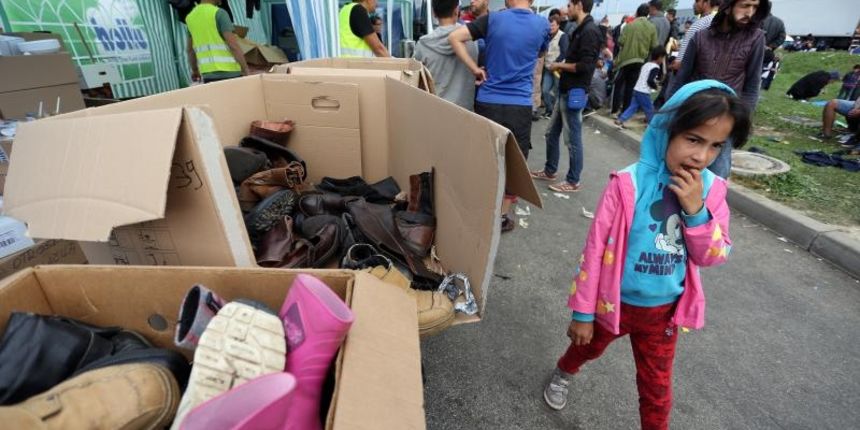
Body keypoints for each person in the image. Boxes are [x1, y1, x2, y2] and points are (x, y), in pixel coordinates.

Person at [542, 80, 750, 430]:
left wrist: (696, 211)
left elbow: (713, 255)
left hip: (663, 313)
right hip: (613, 306)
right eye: (694, 139)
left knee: (656, 387)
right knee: (586, 348)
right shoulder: (628, 184)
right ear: (667, 130)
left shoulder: (712, 191)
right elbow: (594, 251)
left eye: (716, 146)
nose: (701, 156)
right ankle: (564, 371)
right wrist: (582, 313)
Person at [449, 0, 549, 230]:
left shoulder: (492, 19)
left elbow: (454, 38)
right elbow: (541, 52)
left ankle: (479, 211)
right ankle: (501, 218)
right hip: (520, 104)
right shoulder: (542, 24)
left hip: (488, 100)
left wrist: (475, 69)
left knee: (485, 157)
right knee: (514, 163)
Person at [667, 0, 768, 179]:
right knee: (676, 171)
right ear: (728, 5)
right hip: (695, 115)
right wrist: (669, 114)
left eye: (755, 7)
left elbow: (752, 86)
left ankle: (703, 208)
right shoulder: (700, 37)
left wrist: (744, 123)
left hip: (727, 120)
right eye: (745, 5)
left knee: (716, 178)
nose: (750, 12)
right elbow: (680, 80)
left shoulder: (756, 38)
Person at [530, 0, 601, 193]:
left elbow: (586, 65)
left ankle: (573, 180)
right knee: (551, 133)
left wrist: (559, 65)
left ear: (579, 5)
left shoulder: (590, 31)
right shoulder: (580, 29)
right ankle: (550, 170)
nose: (566, 10)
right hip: (566, 89)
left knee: (573, 139)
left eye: (569, 5)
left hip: (575, 92)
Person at [413, 0, 479, 111]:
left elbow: (414, 80)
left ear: (434, 13)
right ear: (456, 10)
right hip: (466, 114)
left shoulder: (423, 44)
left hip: (435, 112)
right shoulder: (471, 40)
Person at [186, 0, 250, 84]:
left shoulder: (190, 17)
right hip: (230, 73)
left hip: (208, 75)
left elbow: (189, 50)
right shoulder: (219, 13)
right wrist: (245, 69)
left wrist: (195, 70)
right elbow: (233, 45)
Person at [611, 4, 658, 116]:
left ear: (637, 12)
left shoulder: (629, 25)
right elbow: (654, 45)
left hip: (625, 60)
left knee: (618, 84)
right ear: (647, 13)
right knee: (630, 87)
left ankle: (614, 110)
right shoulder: (652, 27)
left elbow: (620, 41)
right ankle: (624, 111)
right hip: (640, 61)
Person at [614, 46, 666, 128]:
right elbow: (650, 80)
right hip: (644, 92)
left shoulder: (646, 64)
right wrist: (656, 87)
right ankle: (651, 126)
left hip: (636, 89)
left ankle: (621, 119)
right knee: (649, 109)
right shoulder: (656, 67)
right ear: (660, 57)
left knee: (633, 107)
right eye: (663, 58)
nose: (663, 60)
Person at [673, 0, 720, 73]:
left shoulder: (710, 20)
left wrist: (681, 61)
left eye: (697, 1)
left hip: (687, 70)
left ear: (706, 2)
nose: (694, 4)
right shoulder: (703, 21)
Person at [542, 16, 570, 117]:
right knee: (545, 90)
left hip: (558, 69)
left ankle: (556, 112)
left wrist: (556, 63)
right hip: (548, 68)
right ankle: (549, 110)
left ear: (558, 25)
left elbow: (564, 52)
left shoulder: (562, 36)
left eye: (553, 25)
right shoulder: (547, 36)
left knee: (558, 92)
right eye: (549, 25)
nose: (551, 27)